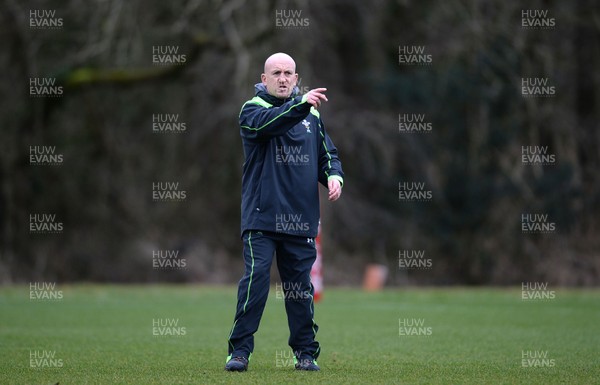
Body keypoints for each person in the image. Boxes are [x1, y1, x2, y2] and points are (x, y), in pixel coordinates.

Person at [225, 52, 344, 372]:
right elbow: (273, 125)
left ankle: (305, 354)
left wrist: (333, 176)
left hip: (301, 220)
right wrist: (303, 103)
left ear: (295, 78)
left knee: (300, 291)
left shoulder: (311, 115)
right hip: (261, 218)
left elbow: (327, 154)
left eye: (288, 73)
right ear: (263, 79)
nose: (282, 78)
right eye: (275, 73)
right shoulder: (253, 110)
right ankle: (239, 352)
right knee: (256, 281)